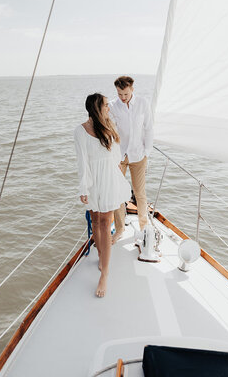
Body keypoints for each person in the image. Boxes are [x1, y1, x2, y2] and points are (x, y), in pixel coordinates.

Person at [74, 92, 131, 298]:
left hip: (109, 179)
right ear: (96, 108)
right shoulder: (80, 132)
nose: (109, 108)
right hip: (93, 182)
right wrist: (84, 188)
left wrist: (113, 178)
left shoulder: (109, 127)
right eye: (106, 105)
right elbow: (82, 163)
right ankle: (101, 255)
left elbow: (116, 157)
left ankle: (104, 275)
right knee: (96, 221)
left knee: (106, 224)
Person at [109, 76, 153, 242]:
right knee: (117, 193)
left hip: (138, 155)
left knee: (140, 193)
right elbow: (110, 131)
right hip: (119, 156)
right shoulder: (112, 106)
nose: (123, 97)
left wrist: (147, 152)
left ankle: (144, 226)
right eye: (120, 94)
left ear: (132, 89)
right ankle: (120, 229)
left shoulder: (143, 103)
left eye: (126, 94)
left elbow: (148, 128)